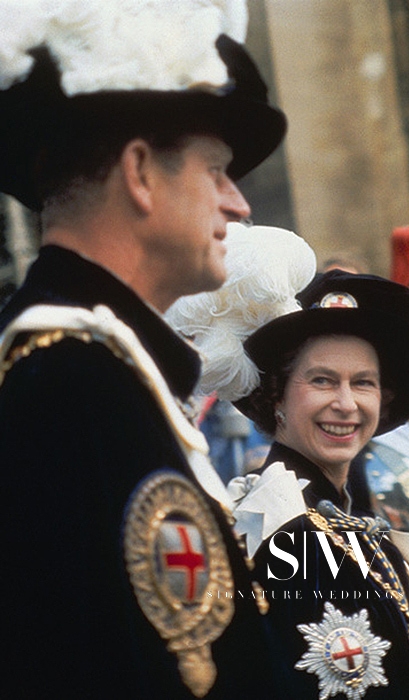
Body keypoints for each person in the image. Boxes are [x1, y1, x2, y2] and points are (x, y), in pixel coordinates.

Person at [0, 2, 289, 698]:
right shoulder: (70, 384)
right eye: (217, 170)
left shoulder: (105, 374)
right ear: (138, 171)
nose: (238, 205)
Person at [169, 265, 409, 698]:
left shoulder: (329, 519)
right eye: (322, 380)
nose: (345, 404)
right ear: (276, 397)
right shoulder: (293, 536)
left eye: (363, 383)